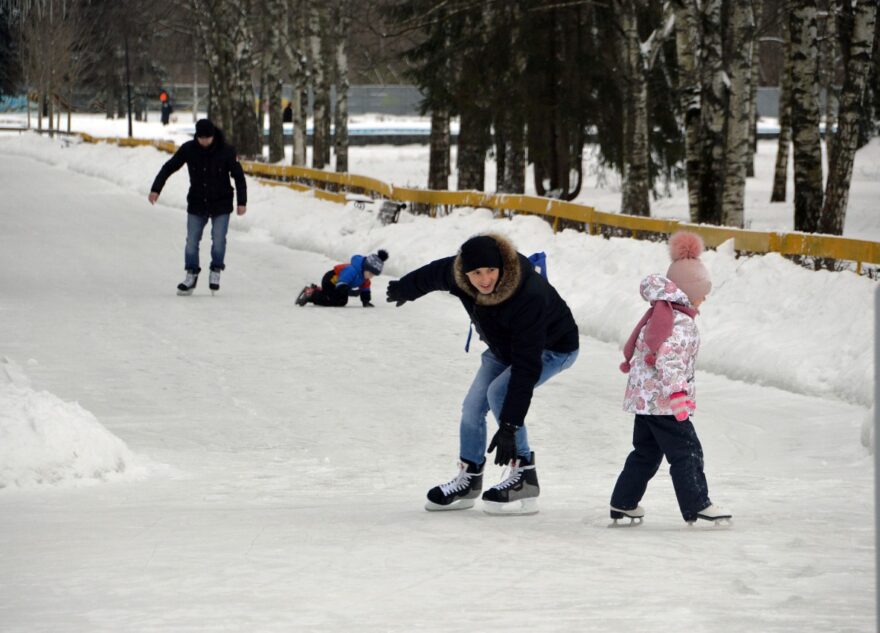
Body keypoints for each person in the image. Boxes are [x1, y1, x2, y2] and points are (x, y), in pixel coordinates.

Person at [386, 233, 579, 515]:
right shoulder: (458, 275)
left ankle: (524, 474)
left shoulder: (529, 293)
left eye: (490, 270)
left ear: (501, 266)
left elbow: (526, 366)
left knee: (499, 392)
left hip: (552, 347)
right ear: (465, 272)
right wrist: (406, 289)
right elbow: (432, 274)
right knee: (472, 407)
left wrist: (510, 426)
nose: (484, 279)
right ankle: (470, 478)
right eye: (476, 273)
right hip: (503, 348)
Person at [609, 231, 731, 526]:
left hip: (645, 401)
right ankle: (698, 503)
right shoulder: (681, 322)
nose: (705, 297)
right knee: (687, 451)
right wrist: (678, 395)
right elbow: (669, 359)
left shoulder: (660, 314)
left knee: (646, 453)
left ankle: (623, 502)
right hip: (665, 402)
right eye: (703, 291)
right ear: (689, 292)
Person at [148, 118, 247, 296]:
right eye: (201, 138)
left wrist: (242, 202)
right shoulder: (188, 149)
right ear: (197, 136)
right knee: (191, 242)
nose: (204, 142)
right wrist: (156, 189)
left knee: (218, 239)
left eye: (208, 138)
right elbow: (169, 168)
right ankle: (191, 274)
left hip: (221, 202)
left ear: (213, 136)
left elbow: (239, 177)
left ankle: (216, 269)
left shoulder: (226, 151)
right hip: (197, 202)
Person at [296, 250, 389, 307]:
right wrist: (351, 292)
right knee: (331, 300)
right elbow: (341, 285)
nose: (371, 276)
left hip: (339, 286)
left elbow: (365, 289)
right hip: (330, 281)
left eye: (373, 275)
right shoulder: (351, 270)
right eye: (370, 273)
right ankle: (311, 293)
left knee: (342, 302)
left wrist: (366, 301)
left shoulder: (365, 278)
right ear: (365, 267)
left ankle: (318, 290)